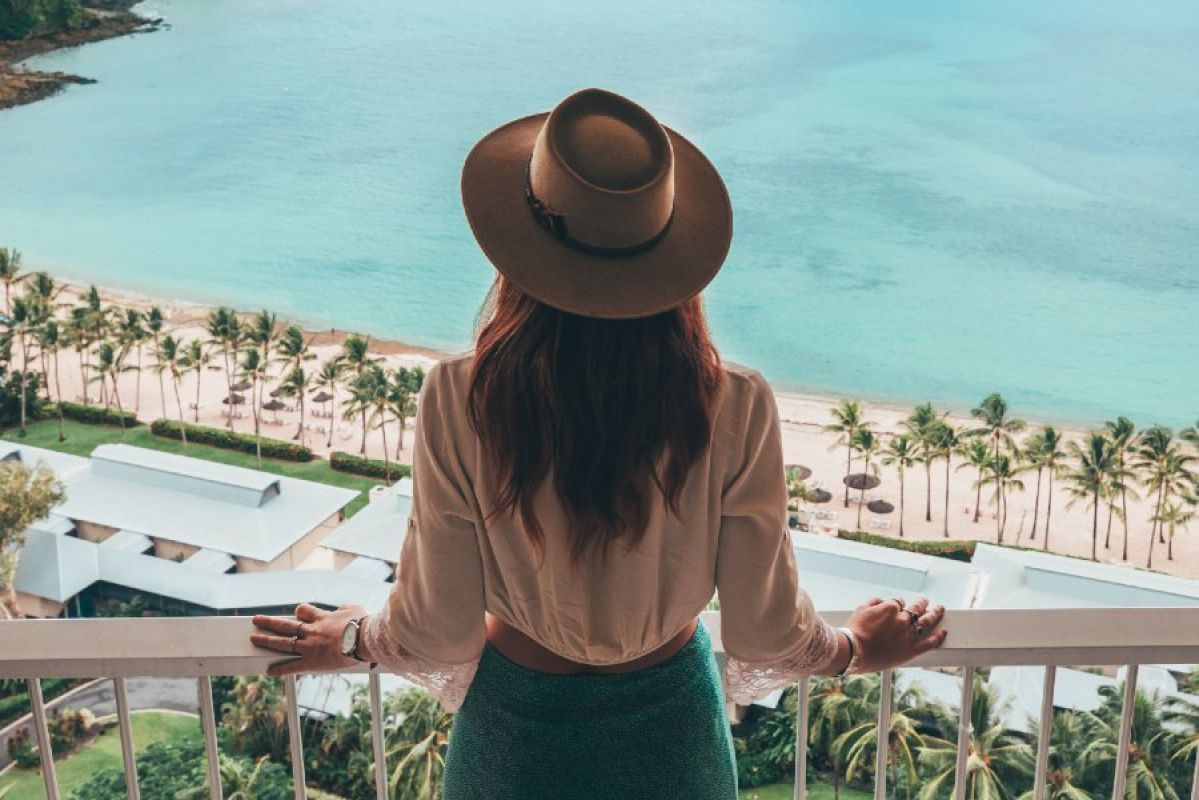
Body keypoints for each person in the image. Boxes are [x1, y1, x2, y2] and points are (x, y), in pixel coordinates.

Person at [250, 87, 947, 799]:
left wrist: (352, 639)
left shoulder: (460, 396)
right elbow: (765, 630)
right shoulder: (732, 403)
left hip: (514, 732)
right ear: (671, 257)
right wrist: (858, 648)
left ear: (518, 253)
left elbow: (440, 628)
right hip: (670, 731)